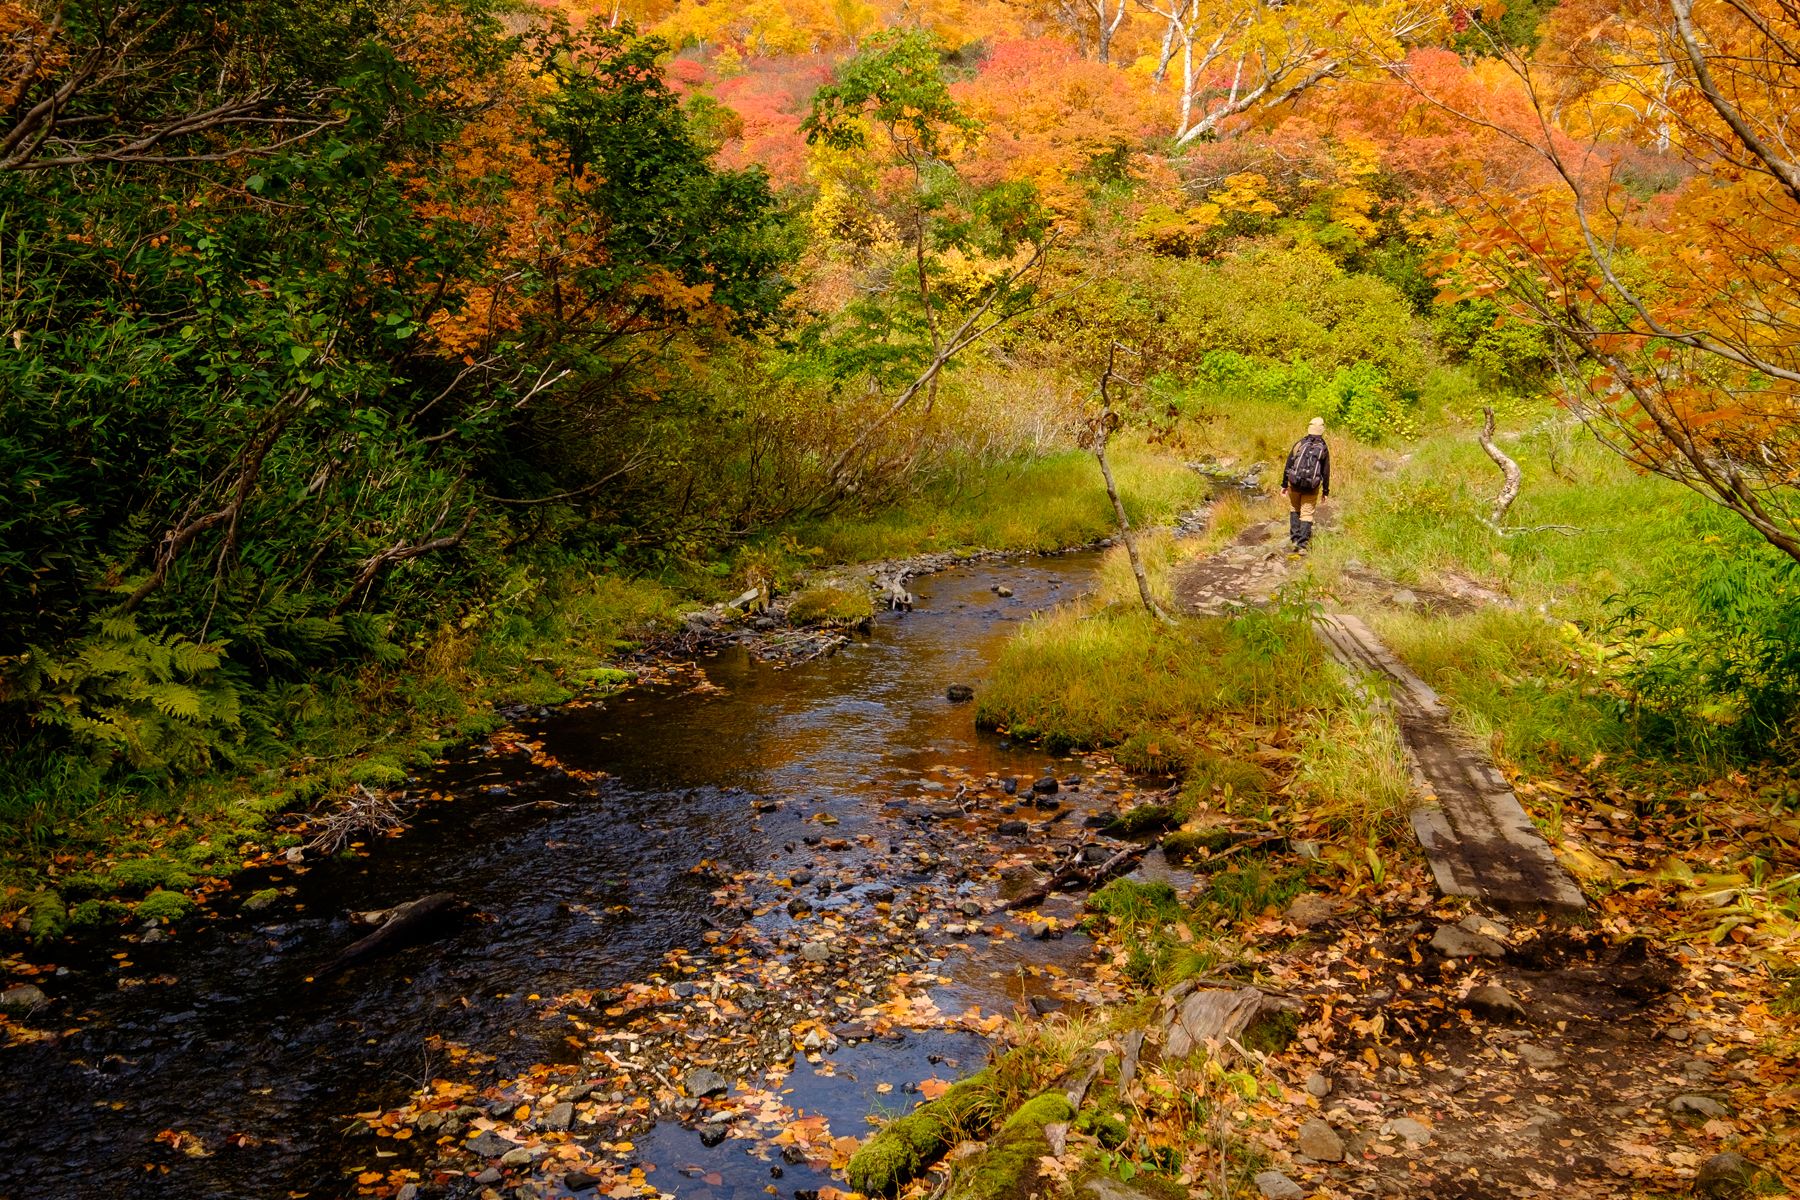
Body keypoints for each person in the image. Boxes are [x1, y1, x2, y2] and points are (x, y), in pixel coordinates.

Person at [1281, 417, 1330, 554]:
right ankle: (1303, 545)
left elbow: (1289, 464)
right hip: (1312, 487)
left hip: (1294, 484)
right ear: (1322, 430)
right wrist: (1325, 491)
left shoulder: (1299, 444)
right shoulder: (1323, 448)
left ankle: (1295, 540)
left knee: (1294, 508)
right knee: (1307, 513)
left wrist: (1284, 484)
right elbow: (1326, 472)